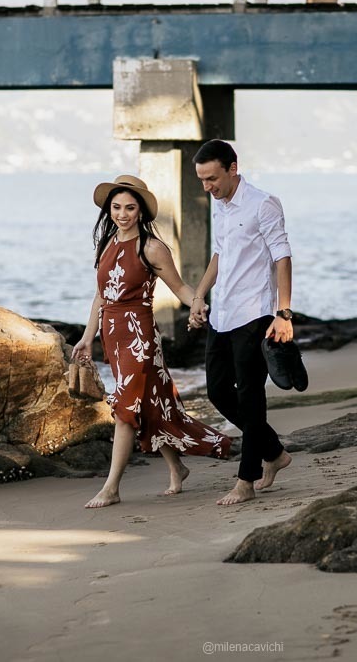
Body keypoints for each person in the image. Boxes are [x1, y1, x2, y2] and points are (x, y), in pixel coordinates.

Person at [73, 174, 233, 509]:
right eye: (117, 207)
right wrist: (88, 337)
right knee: (150, 405)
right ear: (109, 209)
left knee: (125, 409)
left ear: (141, 211)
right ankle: (177, 468)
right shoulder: (107, 244)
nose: (122, 214)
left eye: (130, 208)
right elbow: (101, 295)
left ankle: (111, 487)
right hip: (113, 337)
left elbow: (179, 287)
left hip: (139, 337)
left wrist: (199, 303)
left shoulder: (151, 247)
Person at [187, 140, 295, 506]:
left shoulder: (263, 204)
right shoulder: (219, 206)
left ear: (233, 169)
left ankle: (246, 480)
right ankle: (274, 452)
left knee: (250, 398)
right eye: (202, 180)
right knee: (218, 391)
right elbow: (220, 253)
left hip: (255, 313)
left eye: (212, 178)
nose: (207, 187)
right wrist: (199, 295)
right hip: (223, 313)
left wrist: (283, 313)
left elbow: (282, 257)